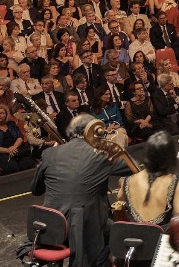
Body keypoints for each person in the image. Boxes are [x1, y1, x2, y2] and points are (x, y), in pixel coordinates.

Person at [31, 113, 133, 267]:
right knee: (120, 233)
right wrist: (109, 147)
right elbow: (131, 167)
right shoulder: (100, 154)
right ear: (92, 131)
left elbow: (36, 190)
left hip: (50, 225)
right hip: (83, 226)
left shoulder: (49, 153)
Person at [116, 131, 179, 228]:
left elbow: (120, 197)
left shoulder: (128, 180)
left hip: (136, 239)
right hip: (161, 241)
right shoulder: (176, 183)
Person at [0, 104, 34, 174]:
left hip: (17, 150)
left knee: (26, 164)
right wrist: (8, 150)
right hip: (1, 153)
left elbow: (20, 137)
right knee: (13, 167)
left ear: (6, 115)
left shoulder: (11, 124)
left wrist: (14, 147)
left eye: (2, 113)